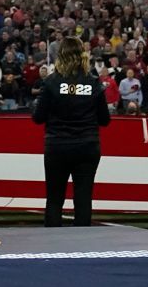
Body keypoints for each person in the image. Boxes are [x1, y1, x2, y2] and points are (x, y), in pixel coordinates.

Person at [32, 37, 109, 226]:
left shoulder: (51, 82)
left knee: (54, 198)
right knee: (83, 198)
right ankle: (81, 250)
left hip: (57, 145)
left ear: (61, 56)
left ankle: (52, 249)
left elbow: (38, 117)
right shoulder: (93, 83)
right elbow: (105, 120)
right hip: (87, 145)